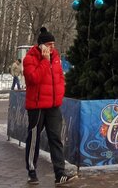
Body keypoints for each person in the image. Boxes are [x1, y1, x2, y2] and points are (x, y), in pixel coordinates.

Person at [23, 27, 74, 186]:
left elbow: (59, 77)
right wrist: (44, 61)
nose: (52, 47)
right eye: (49, 44)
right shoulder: (30, 58)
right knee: (34, 138)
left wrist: (60, 94)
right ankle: (32, 171)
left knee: (55, 138)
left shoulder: (56, 57)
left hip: (53, 105)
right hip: (37, 106)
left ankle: (60, 173)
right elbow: (34, 78)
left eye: (53, 44)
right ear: (41, 45)